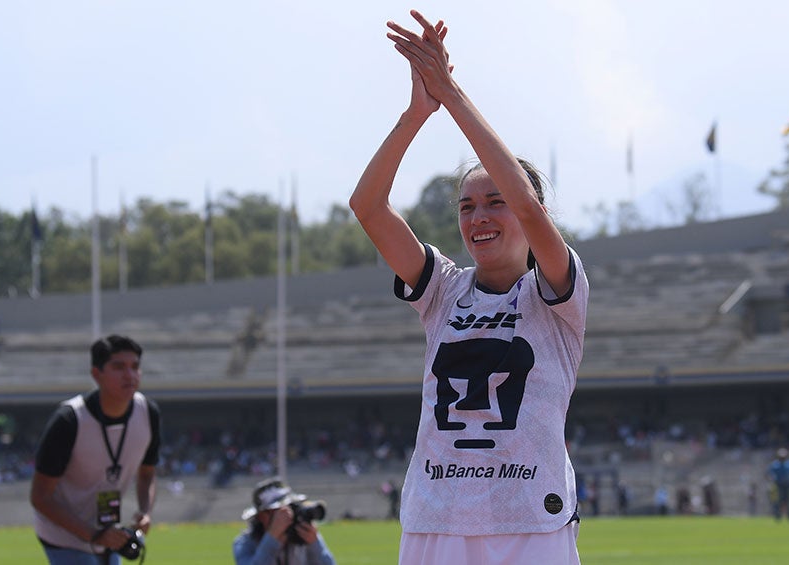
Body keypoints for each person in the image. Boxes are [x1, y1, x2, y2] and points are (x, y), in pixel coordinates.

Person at [349, 10, 589, 564]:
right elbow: (368, 207)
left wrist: (452, 95)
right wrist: (417, 113)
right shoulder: (442, 289)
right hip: (437, 515)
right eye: (466, 206)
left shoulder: (557, 291)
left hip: (531, 517)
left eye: (493, 202)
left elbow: (527, 205)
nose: (478, 217)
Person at [30, 334, 162, 564]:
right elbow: (40, 497)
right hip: (64, 536)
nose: (129, 375)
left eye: (135, 367)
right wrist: (94, 535)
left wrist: (145, 511)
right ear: (96, 374)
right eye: (118, 367)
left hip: (108, 534)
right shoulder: (69, 421)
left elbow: (148, 473)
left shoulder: (147, 413)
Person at [232, 477, 337, 565]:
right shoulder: (245, 543)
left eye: (289, 508)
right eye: (277, 511)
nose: (286, 514)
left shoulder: (303, 534)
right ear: (261, 516)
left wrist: (314, 544)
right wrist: (272, 538)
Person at [768, 447, 789, 521]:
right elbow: (770, 474)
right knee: (778, 501)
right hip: (778, 484)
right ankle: (778, 515)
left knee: (788, 500)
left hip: (787, 484)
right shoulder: (775, 464)